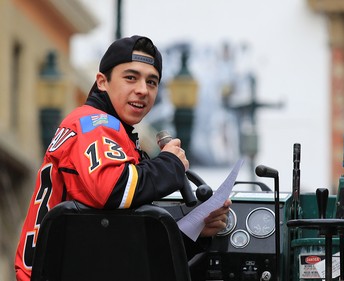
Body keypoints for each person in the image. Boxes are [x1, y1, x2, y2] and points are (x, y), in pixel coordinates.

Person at [14, 35, 231, 281]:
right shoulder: (93, 123)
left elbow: (122, 237)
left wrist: (195, 228)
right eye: (130, 77)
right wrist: (170, 164)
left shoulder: (110, 131)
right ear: (102, 82)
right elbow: (114, 189)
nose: (142, 90)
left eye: (152, 82)